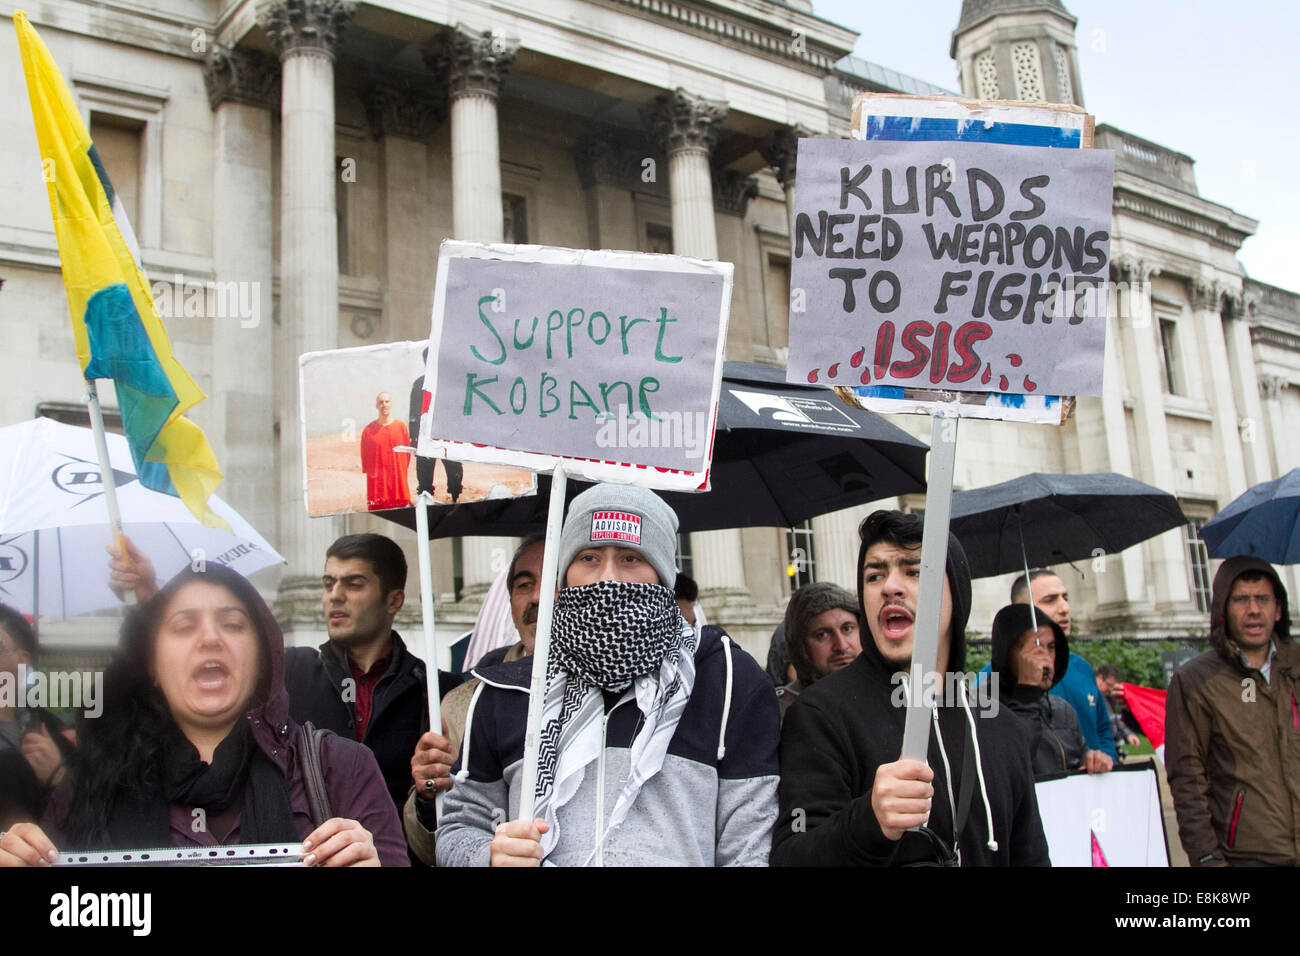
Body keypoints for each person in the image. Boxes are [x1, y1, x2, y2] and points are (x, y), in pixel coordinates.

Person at [435, 483, 780, 866]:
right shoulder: (508, 691)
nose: (608, 578)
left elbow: (750, 846)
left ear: (663, 575)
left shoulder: (726, 679)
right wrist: (490, 858)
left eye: (631, 558)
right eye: (589, 558)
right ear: (565, 575)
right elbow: (459, 826)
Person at [0, 564, 405, 866]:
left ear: (263, 658)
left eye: (232, 624)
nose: (210, 638)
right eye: (183, 627)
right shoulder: (88, 786)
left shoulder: (342, 768)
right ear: (153, 667)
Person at [772, 510, 1049, 866]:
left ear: (956, 592)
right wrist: (868, 822)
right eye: (875, 575)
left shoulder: (1002, 727)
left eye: (914, 571)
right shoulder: (820, 715)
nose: (889, 587)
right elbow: (791, 855)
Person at [284, 534, 461, 820]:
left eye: (353, 584)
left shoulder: (436, 692)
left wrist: (429, 790)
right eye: (329, 584)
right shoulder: (290, 673)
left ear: (394, 600)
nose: (335, 595)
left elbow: (450, 813)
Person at [401, 535, 544, 863]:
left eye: (552, 579)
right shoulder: (464, 702)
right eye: (524, 585)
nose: (537, 596)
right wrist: (427, 797)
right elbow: (430, 850)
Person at [1165, 556, 1300, 866]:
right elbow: (1188, 780)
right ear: (1223, 609)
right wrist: (1207, 858)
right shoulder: (1195, 681)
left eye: (1263, 599)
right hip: (1247, 858)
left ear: (1278, 609)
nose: (1253, 610)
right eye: (1241, 600)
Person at [1009, 569, 1117, 767]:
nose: (1064, 608)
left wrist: (1106, 759)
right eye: (1050, 600)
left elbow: (1102, 728)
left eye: (1065, 598)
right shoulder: (995, 678)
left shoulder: (1082, 668)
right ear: (1022, 611)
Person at [989, 603, 1104, 780]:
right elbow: (1011, 763)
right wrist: (1027, 692)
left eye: (1050, 647)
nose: (1044, 658)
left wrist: (1093, 762)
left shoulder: (1062, 709)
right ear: (1007, 651)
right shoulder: (983, 708)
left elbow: (1074, 765)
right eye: (1034, 648)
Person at [776, 582, 861, 722]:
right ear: (801, 646)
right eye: (822, 635)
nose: (841, 646)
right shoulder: (782, 713)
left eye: (847, 628)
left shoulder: (891, 694)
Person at [409, 348, 463, 503]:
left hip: (447, 432)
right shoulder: (419, 384)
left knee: (453, 467)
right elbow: (413, 411)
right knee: (424, 467)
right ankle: (425, 494)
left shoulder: (450, 382)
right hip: (425, 433)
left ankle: (455, 494)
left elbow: (457, 408)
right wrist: (413, 435)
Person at [361, 391, 412, 511]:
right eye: (381, 402)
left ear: (391, 404)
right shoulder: (368, 431)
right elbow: (365, 459)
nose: (384, 405)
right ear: (376, 406)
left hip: (398, 481)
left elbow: (407, 456)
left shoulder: (401, 427)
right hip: (378, 487)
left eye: (387, 401)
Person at [1095, 663, 1141, 753]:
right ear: (1100, 678)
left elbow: (1112, 718)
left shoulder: (1104, 697)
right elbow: (1109, 719)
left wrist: (1128, 734)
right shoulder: (1094, 696)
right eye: (1109, 685)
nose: (1111, 689)